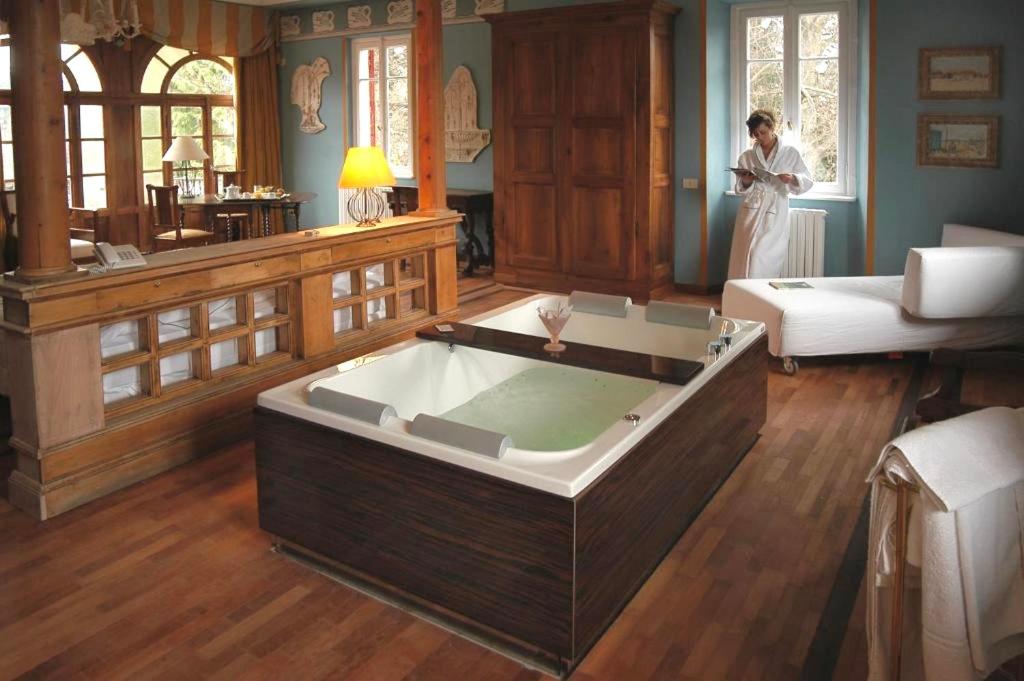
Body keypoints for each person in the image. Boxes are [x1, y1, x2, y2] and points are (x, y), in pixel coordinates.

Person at [727, 109, 814, 280]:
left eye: (763, 132)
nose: (759, 137)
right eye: (755, 134)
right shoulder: (747, 156)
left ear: (772, 127)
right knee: (745, 253)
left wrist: (792, 178)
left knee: (760, 255)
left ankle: (761, 293)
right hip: (751, 209)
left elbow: (808, 180)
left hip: (776, 207)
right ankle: (740, 293)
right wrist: (746, 181)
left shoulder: (790, 153)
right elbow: (741, 187)